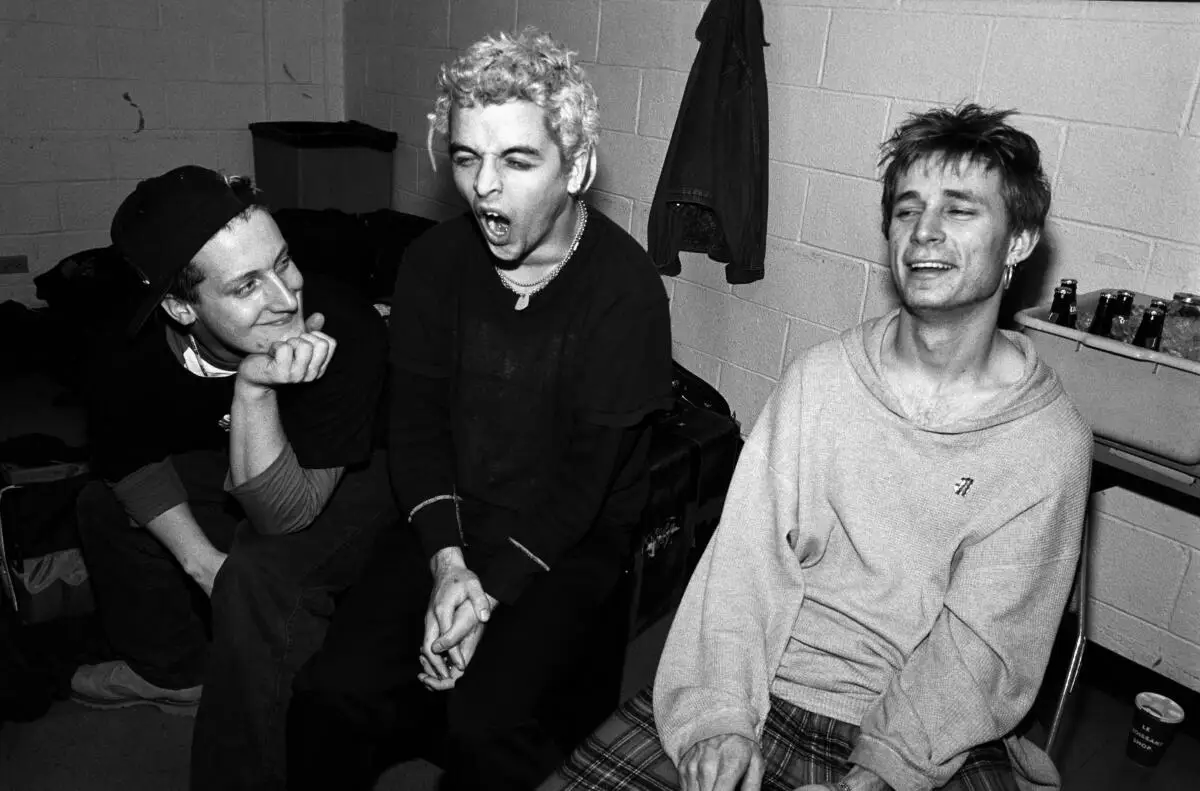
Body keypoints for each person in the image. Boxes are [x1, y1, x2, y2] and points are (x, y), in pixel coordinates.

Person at [543, 104, 1094, 791]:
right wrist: (718, 719)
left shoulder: (1046, 444)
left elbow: (977, 653)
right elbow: (743, 567)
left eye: (959, 210)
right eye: (906, 209)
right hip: (765, 683)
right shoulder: (822, 381)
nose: (923, 232)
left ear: (1019, 240)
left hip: (928, 736)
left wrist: (881, 774)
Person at [285, 28, 674, 791]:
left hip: (571, 532)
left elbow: (582, 485)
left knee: (489, 727)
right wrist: (449, 565)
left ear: (579, 167)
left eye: (517, 160)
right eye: (467, 158)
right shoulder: (432, 264)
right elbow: (417, 429)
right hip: (455, 514)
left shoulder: (626, 293)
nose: (484, 187)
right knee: (333, 692)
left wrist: (486, 594)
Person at [71, 165, 395, 791]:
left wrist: (252, 388)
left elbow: (286, 514)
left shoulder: (343, 326)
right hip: (227, 454)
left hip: (363, 467)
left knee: (262, 569)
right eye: (248, 284)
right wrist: (198, 562)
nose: (285, 297)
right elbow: (126, 457)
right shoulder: (119, 345)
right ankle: (172, 672)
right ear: (178, 305)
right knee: (100, 506)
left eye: (284, 262)